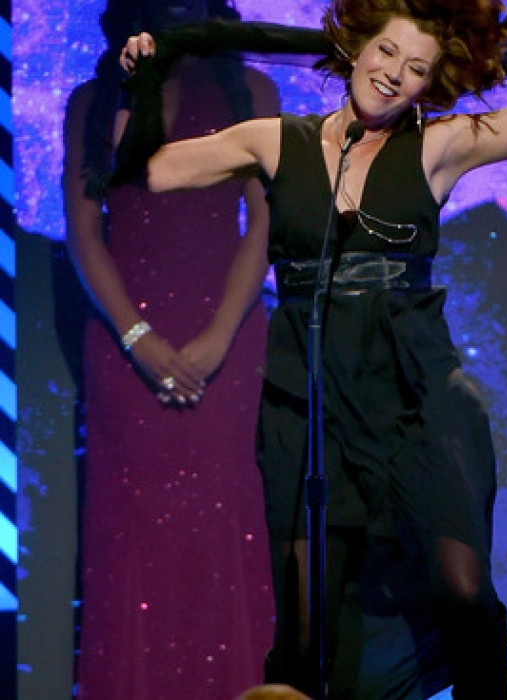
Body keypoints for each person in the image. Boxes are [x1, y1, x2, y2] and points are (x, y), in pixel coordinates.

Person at [116, 0, 507, 697]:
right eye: (385, 54)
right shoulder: (274, 140)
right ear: (354, 48)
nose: (393, 76)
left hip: (416, 395)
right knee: (307, 627)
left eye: (415, 69)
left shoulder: (440, 145)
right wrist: (142, 80)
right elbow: (152, 171)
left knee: (462, 593)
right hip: (307, 398)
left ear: (430, 84)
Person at [63, 1, 280, 698]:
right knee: (131, 541)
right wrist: (137, 337)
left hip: (229, 342)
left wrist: (219, 337)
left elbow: (264, 227)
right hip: (125, 350)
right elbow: (85, 232)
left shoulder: (252, 93)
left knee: (225, 531)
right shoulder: (93, 101)